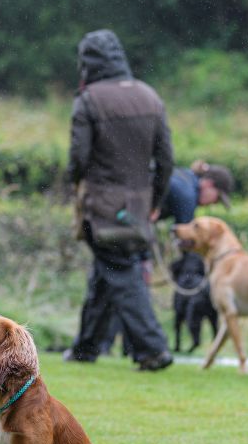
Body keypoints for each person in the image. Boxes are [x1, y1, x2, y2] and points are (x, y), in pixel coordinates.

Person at [63, 29, 174, 372]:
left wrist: (72, 183)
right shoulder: (149, 96)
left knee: (120, 272)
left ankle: (153, 349)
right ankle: (86, 348)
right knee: (105, 272)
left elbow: (79, 158)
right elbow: (166, 158)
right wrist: (155, 199)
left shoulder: (89, 100)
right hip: (139, 206)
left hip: (101, 206)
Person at [100, 161, 234, 357]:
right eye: (216, 198)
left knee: (109, 284)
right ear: (208, 184)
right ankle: (138, 347)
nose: (213, 203)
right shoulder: (188, 195)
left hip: (112, 216)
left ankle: (101, 345)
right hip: (126, 228)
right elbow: (188, 240)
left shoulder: (183, 177)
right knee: (132, 287)